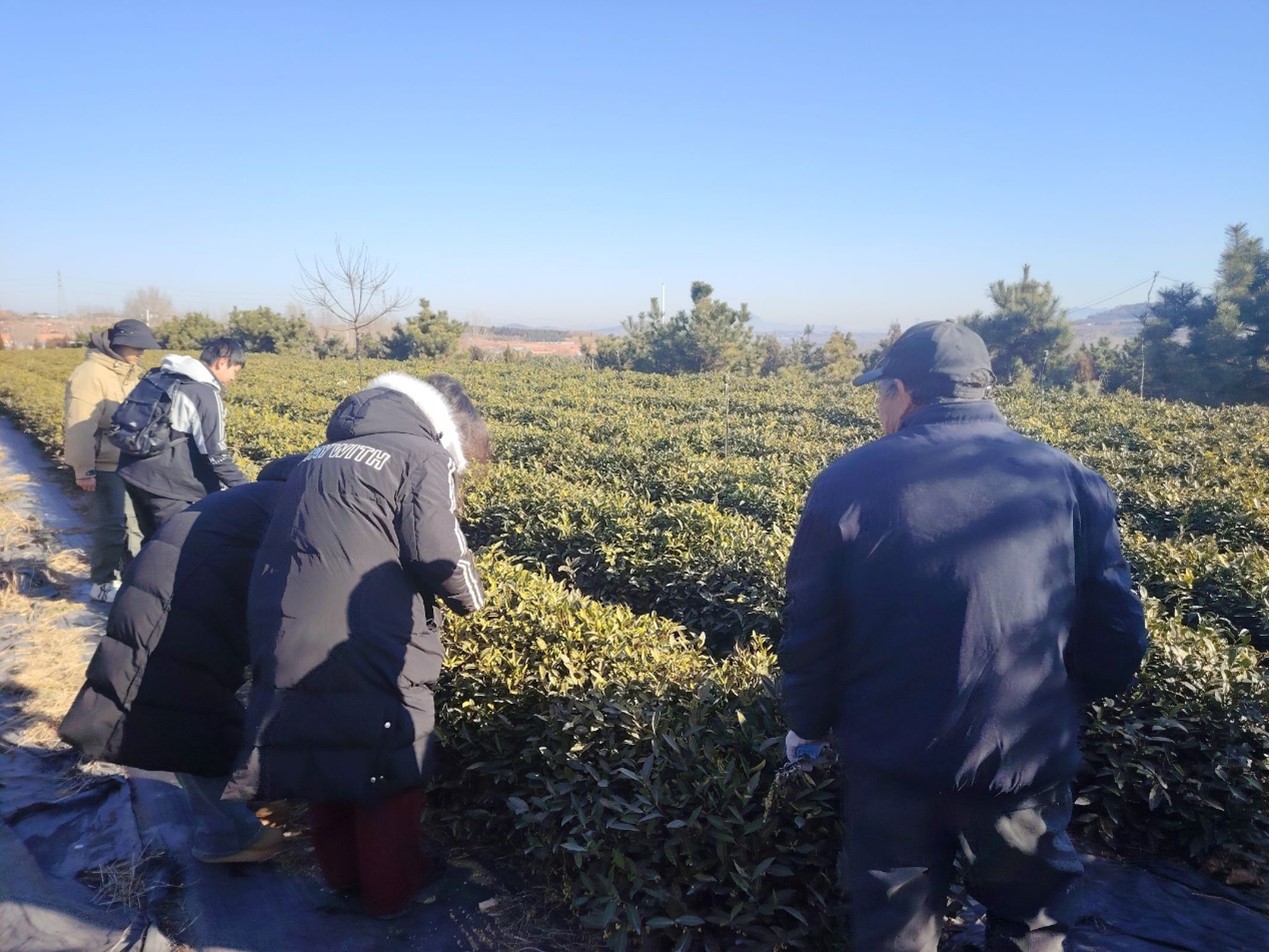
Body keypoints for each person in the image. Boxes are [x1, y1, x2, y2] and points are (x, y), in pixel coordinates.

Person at [778, 321, 1148, 952]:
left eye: (882, 393)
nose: (879, 408)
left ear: (902, 392)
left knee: (897, 933)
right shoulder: (1068, 478)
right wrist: (1060, 702)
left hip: (892, 761)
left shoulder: (847, 482)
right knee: (1032, 924)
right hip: (1022, 757)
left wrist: (807, 725)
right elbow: (1116, 628)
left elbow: (812, 627)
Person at [226, 372, 490, 919]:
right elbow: (437, 551)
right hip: (365, 631)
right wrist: (473, 599)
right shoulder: (422, 454)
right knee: (390, 757)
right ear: (448, 423)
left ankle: (344, 877)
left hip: (288, 620)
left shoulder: (320, 454)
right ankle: (393, 891)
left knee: (329, 752)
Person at [59, 454, 305, 863]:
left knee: (195, 708)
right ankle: (224, 837)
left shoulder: (257, 496)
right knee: (186, 717)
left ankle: (241, 802)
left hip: (165, 595)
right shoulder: (290, 510)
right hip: (175, 609)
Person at [63, 318, 157, 603]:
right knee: (111, 524)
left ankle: (130, 578)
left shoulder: (129, 373)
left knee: (134, 524)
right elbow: (79, 425)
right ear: (118, 345)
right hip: (104, 464)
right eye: (136, 347)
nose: (141, 352)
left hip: (129, 462)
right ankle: (102, 582)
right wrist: (84, 469)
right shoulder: (90, 374)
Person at [116, 337, 249, 539]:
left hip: (133, 472)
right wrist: (247, 490)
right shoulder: (204, 394)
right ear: (222, 362)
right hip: (169, 488)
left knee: (151, 541)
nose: (233, 378)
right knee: (173, 546)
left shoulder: (160, 375)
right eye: (235, 371)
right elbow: (216, 455)